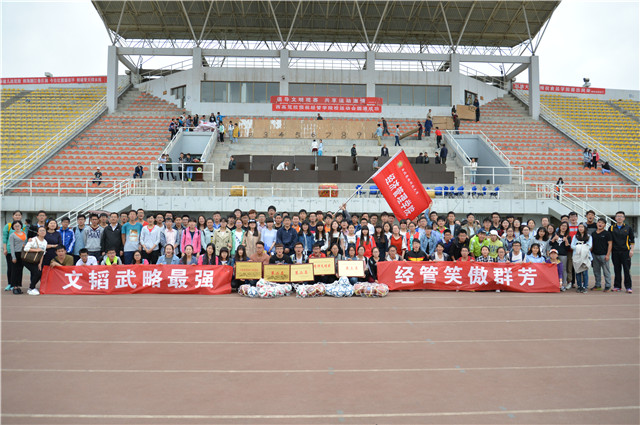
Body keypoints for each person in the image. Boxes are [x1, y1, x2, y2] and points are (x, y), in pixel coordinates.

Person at [609, 211, 634, 293]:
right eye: (618, 216)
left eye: (621, 216)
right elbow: (610, 241)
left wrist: (632, 250)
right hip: (615, 252)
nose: (619, 217)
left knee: (627, 270)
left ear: (624, 218)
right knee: (617, 269)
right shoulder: (611, 228)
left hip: (625, 252)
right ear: (615, 218)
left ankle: (628, 287)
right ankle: (617, 286)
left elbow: (632, 240)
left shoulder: (628, 228)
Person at [23, 226, 48, 295]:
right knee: (37, 273)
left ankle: (32, 287)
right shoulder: (33, 239)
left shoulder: (45, 242)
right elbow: (26, 249)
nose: (42, 232)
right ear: (38, 232)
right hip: (27, 260)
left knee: (39, 273)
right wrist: (36, 250)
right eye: (41, 231)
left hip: (36, 260)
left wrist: (40, 264)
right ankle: (31, 288)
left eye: (44, 230)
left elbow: (42, 253)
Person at [591, 218, 612, 291]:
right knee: (596, 271)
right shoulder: (593, 233)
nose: (600, 224)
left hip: (604, 255)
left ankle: (608, 285)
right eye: (599, 222)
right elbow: (592, 244)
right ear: (597, 223)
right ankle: (598, 285)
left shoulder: (607, 233)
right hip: (594, 255)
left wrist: (608, 255)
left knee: (606, 271)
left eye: (602, 223)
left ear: (605, 225)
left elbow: (610, 244)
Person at [571, 224, 592, 293]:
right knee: (577, 272)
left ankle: (585, 286)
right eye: (579, 227)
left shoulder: (589, 236)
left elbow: (589, 246)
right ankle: (579, 286)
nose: (581, 228)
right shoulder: (575, 236)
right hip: (576, 256)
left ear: (585, 228)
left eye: (582, 227)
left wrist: (579, 246)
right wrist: (582, 246)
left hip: (585, 256)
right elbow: (572, 246)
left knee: (585, 272)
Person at [8, 221, 27, 293]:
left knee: (20, 270)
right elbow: (12, 246)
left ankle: (18, 286)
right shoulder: (12, 235)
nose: (17, 227)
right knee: (14, 271)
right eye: (15, 226)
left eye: (18, 226)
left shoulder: (24, 233)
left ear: (21, 226)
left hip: (22, 253)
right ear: (13, 227)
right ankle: (14, 287)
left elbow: (25, 243)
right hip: (16, 253)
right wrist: (13, 257)